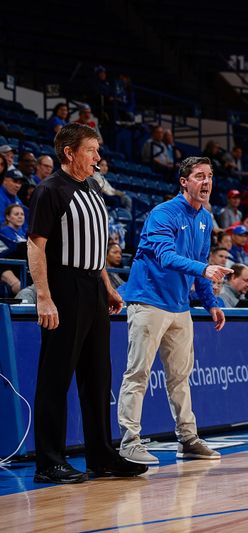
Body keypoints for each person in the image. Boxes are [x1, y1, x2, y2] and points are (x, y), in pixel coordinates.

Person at [27, 123, 146, 484]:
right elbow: (36, 245)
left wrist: (107, 285)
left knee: (98, 377)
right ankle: (49, 461)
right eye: (92, 150)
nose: (98, 157)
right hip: (63, 286)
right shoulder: (50, 190)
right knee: (56, 377)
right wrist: (44, 297)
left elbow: (94, 246)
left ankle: (101, 455)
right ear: (70, 153)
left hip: (94, 285)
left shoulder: (92, 188)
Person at [117, 156, 231, 466]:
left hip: (180, 307)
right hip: (148, 301)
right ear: (184, 182)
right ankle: (129, 441)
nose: (206, 182)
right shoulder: (162, 214)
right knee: (138, 373)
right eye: (198, 176)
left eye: (209, 176)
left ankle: (188, 439)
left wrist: (211, 303)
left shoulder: (205, 219)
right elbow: (166, 256)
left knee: (180, 377)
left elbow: (200, 265)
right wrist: (205, 270)